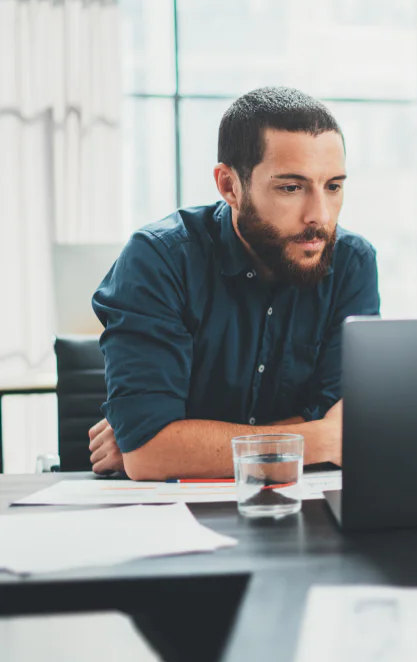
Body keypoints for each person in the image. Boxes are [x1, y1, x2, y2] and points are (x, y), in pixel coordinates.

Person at [88, 86, 379, 480]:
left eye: (333, 186)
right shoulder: (159, 259)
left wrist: (188, 446)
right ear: (229, 186)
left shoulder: (352, 263)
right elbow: (151, 452)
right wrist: (321, 441)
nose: (320, 216)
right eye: (291, 188)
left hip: (299, 511)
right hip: (172, 519)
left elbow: (343, 417)